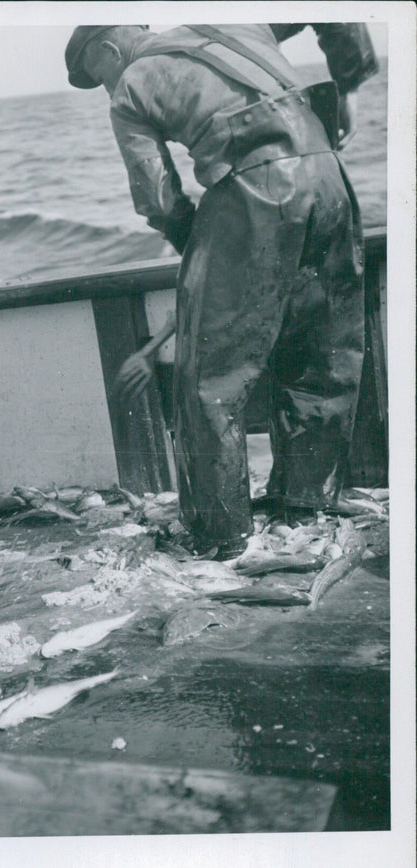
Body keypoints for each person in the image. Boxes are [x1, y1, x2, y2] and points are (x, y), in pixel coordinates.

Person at [65, 23, 374, 556]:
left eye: (100, 76)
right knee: (322, 356)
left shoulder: (131, 86)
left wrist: (203, 250)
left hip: (256, 192)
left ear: (108, 49)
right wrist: (345, 87)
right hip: (330, 181)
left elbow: (158, 196)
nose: (109, 89)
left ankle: (220, 539)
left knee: (209, 380)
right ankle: (307, 507)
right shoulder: (239, 21)